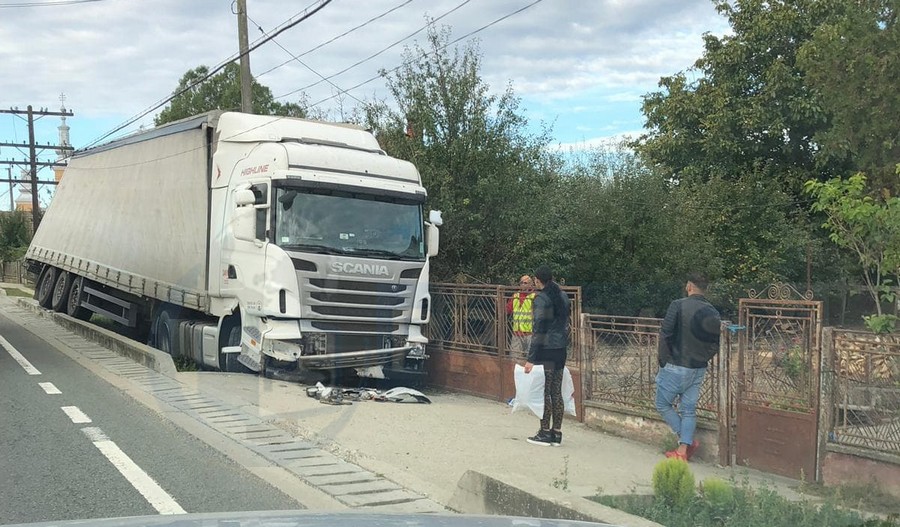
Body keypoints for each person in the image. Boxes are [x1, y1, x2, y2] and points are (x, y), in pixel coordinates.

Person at [655, 272, 721, 461]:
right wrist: (703, 358)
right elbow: (715, 342)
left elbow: (666, 334)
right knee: (689, 410)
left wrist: (663, 360)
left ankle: (687, 441)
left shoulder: (677, 305)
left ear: (689, 286)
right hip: (698, 367)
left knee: (662, 404)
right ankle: (683, 451)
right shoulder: (713, 311)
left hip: (675, 364)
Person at [523, 265, 571, 447]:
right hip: (560, 349)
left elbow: (539, 329)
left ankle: (544, 432)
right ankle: (556, 433)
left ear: (537, 280)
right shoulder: (562, 296)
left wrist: (531, 358)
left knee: (545, 392)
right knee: (556, 391)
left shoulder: (541, 299)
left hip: (546, 349)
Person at [506, 275, 536, 357]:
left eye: (525, 283)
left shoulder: (534, 296)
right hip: (517, 332)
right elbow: (507, 310)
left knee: (530, 359)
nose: (522, 284)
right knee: (514, 359)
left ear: (531, 284)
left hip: (530, 333)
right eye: (521, 283)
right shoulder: (515, 296)